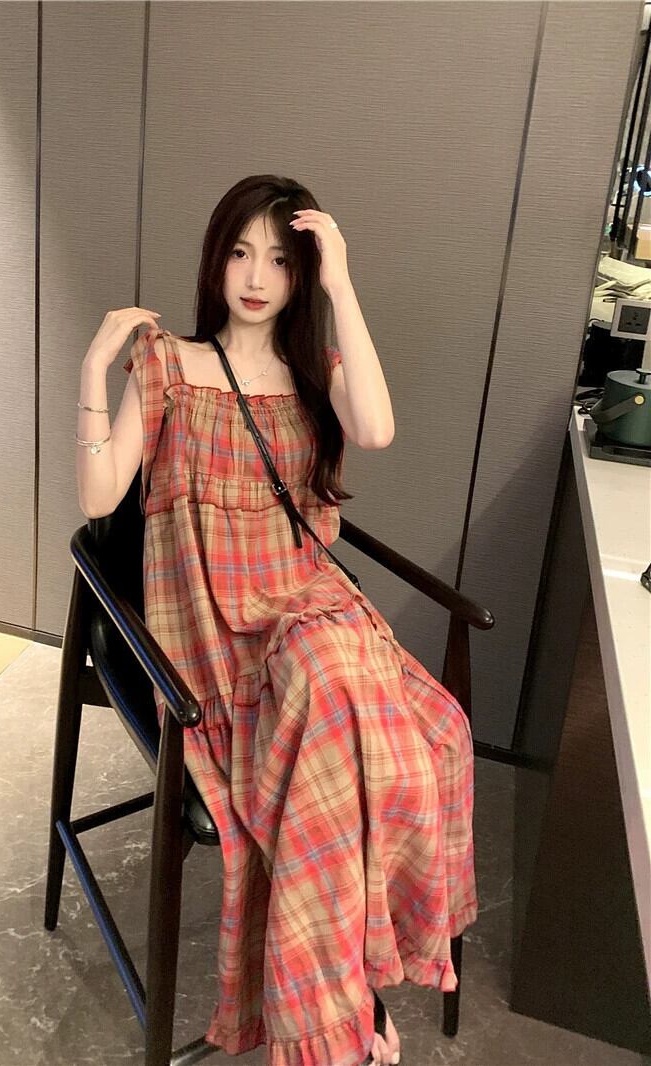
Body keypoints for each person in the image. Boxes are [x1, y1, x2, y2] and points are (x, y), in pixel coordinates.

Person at [75, 175, 478, 1066]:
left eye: (281, 260)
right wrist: (93, 370)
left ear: (301, 276)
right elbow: (99, 496)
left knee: (431, 726)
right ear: (215, 260)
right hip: (212, 623)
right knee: (337, 701)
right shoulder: (167, 363)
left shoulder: (312, 374)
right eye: (240, 252)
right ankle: (345, 1010)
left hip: (307, 599)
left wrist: (342, 280)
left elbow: (375, 428)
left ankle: (344, 993)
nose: (257, 277)